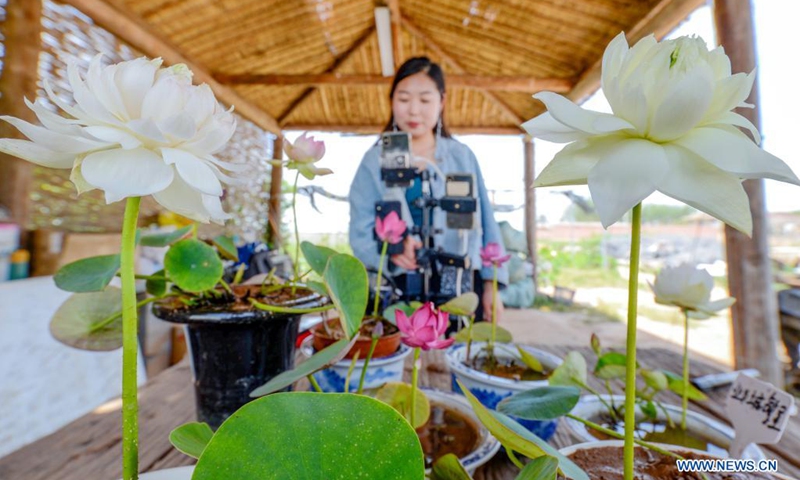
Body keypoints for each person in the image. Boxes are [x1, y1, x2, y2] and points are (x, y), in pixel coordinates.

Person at [348, 56, 509, 323]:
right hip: (396, 290)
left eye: (424, 100)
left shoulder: (462, 156)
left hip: (459, 288)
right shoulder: (374, 160)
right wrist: (391, 251)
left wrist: (492, 285)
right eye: (403, 99)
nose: (413, 111)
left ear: (441, 102)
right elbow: (359, 229)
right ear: (391, 101)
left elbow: (486, 222)